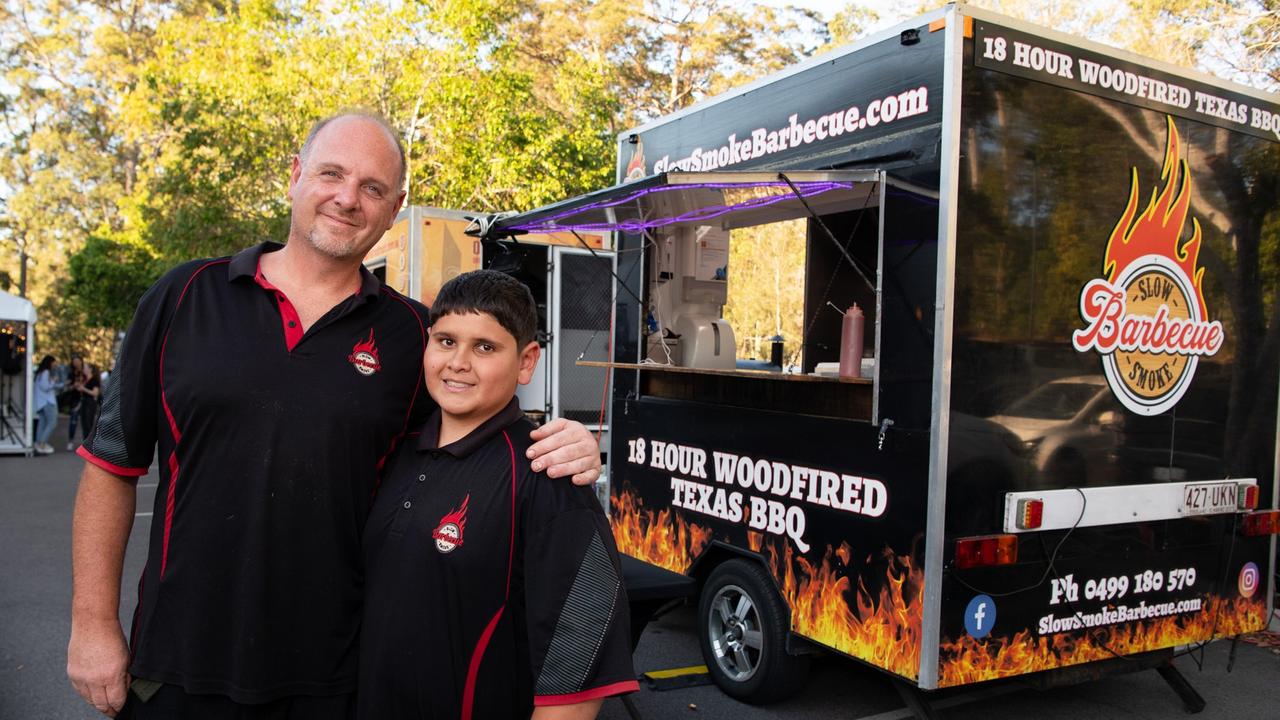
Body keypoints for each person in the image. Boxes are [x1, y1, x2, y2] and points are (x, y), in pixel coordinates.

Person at [66, 111, 603, 719]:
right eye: (331, 174)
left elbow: (472, 429)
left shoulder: (411, 336)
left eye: (372, 188)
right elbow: (111, 464)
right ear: (296, 176)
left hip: (334, 677)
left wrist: (564, 442)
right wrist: (92, 624)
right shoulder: (184, 296)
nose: (348, 199)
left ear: (394, 205)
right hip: (175, 660)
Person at [359, 269, 636, 719]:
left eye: (484, 347)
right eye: (446, 341)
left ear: (527, 361)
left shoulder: (549, 477)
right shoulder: (396, 451)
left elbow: (579, 670)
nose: (458, 362)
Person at [66, 357, 100, 450]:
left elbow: (95, 393)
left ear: (90, 370)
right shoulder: (85, 379)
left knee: (88, 423)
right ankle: (86, 444)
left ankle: (90, 445)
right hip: (84, 402)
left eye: (85, 367)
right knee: (84, 424)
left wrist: (83, 388)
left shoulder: (94, 380)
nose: (83, 369)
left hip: (90, 403)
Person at [32, 354, 60, 455]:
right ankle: (42, 443)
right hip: (47, 402)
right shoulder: (46, 372)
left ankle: (38, 442)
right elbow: (45, 387)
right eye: (54, 362)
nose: (55, 364)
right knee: (52, 423)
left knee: (42, 423)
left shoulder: (40, 373)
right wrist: (53, 381)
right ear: (50, 362)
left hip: (40, 402)